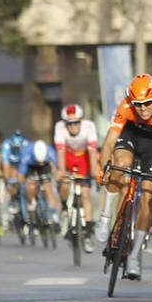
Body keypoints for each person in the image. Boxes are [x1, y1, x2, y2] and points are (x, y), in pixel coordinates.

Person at [96, 74, 152, 281]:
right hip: (131, 135)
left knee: (147, 196)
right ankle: (105, 217)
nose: (142, 109)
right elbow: (108, 144)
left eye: (147, 103)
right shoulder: (125, 106)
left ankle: (134, 257)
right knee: (119, 165)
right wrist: (103, 168)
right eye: (138, 105)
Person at [54, 103, 101, 244]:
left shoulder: (89, 127)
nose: (73, 126)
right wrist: (61, 170)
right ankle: (64, 206)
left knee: (85, 194)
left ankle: (87, 226)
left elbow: (92, 151)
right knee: (64, 184)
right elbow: (61, 153)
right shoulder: (60, 128)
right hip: (68, 156)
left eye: (76, 123)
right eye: (69, 123)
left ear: (80, 121)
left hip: (84, 157)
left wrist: (94, 169)